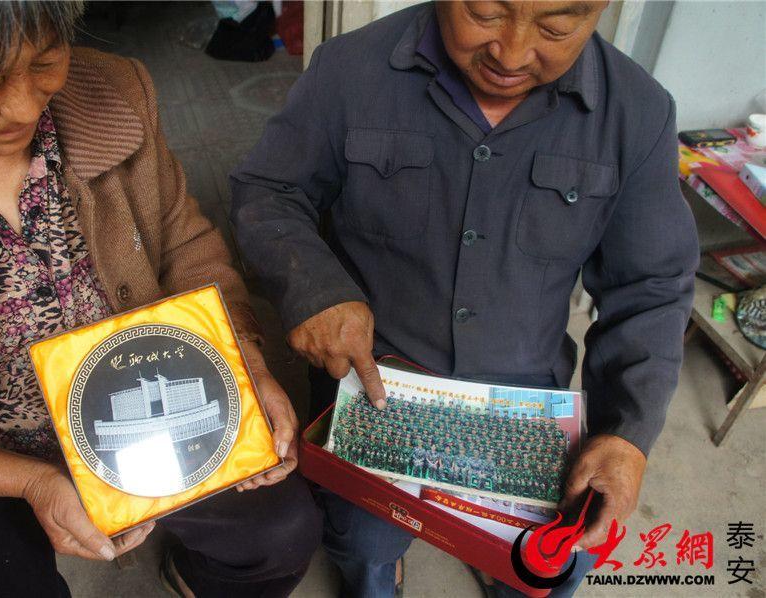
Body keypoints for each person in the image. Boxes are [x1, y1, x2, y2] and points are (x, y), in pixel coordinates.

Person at [231, 0, 698, 596]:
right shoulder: (349, 70)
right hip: (376, 384)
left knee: (551, 564)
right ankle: (379, 571)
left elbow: (652, 284)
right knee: (360, 540)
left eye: (555, 27)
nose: (512, 53)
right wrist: (315, 289)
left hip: (524, 403)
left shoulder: (637, 112)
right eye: (485, 13)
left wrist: (627, 432)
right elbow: (268, 189)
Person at [0, 2, 321, 596]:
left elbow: (185, 244)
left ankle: (195, 578)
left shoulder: (115, 93)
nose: (25, 107)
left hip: (142, 408)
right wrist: (30, 481)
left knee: (282, 532)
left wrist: (242, 361)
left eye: (45, 61)